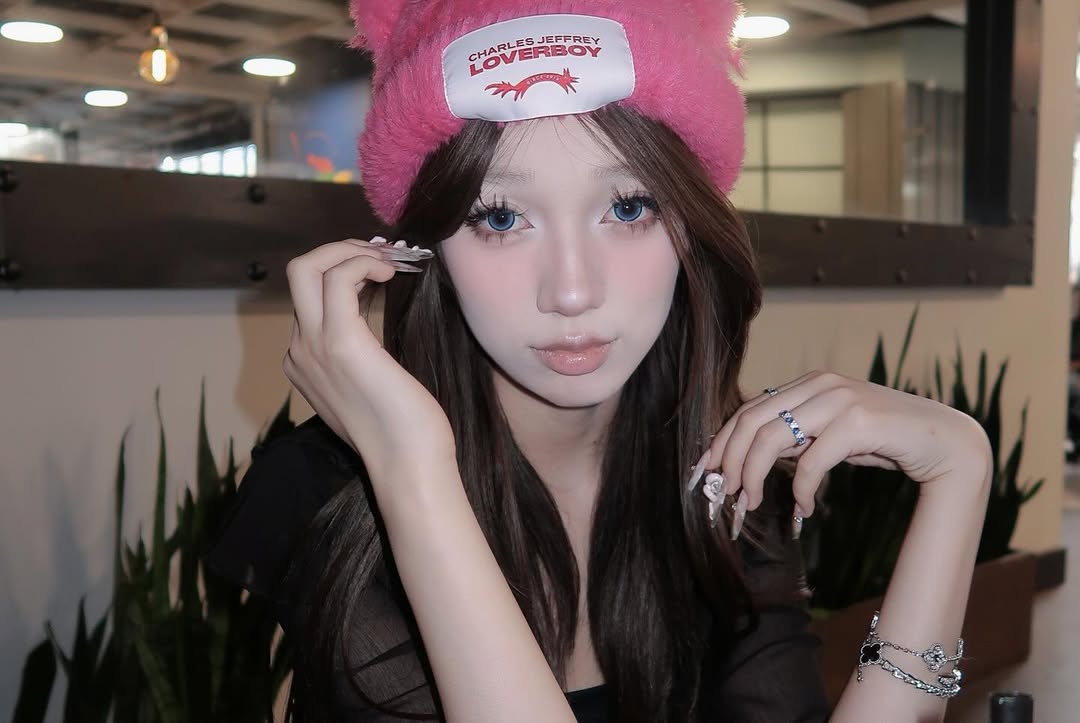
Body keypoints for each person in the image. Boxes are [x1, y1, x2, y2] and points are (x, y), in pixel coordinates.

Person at [208, 1, 993, 721]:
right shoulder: (330, 499)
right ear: (426, 244)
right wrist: (412, 474)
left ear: (690, 226)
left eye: (628, 206)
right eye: (500, 216)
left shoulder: (724, 479)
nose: (573, 290)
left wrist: (961, 466)